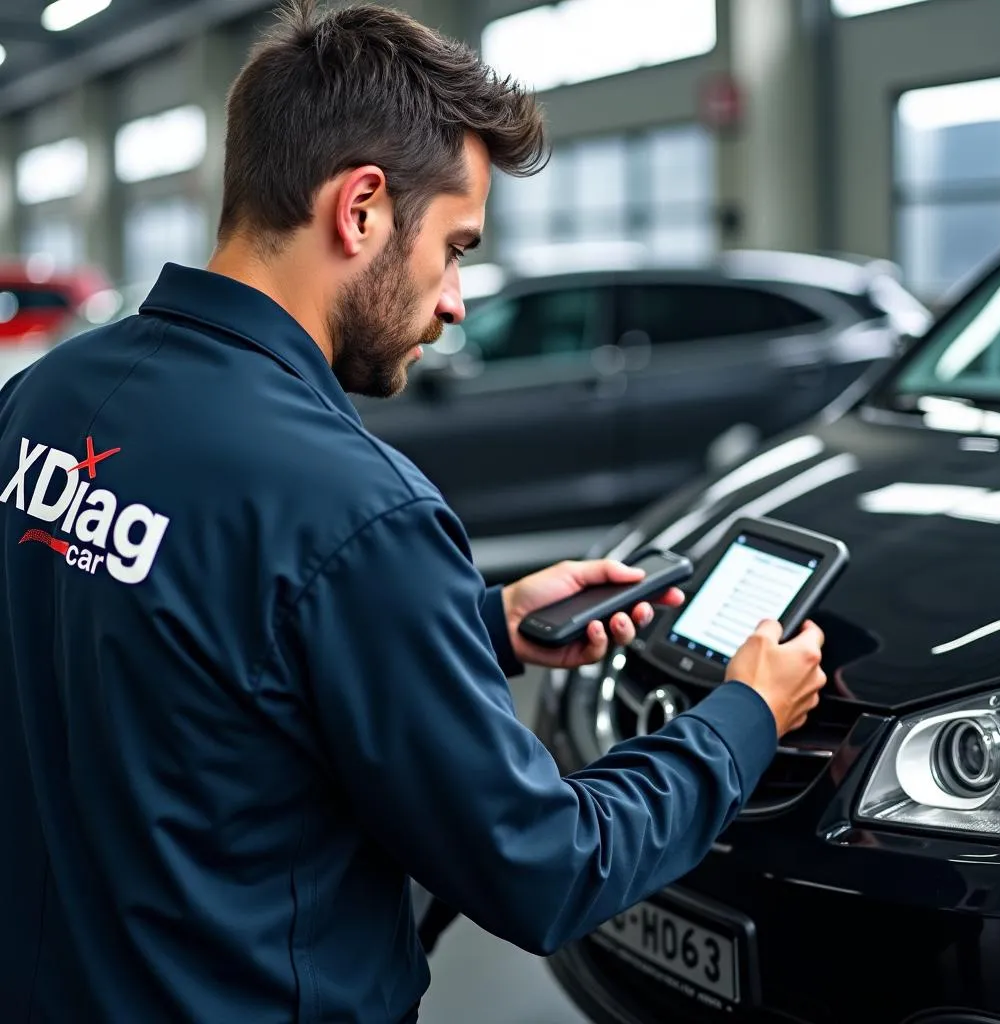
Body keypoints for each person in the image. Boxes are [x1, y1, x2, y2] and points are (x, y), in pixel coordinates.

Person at [0, 2, 827, 1021]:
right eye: (458, 247)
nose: (456, 300)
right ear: (361, 210)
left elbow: (184, 655)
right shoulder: (357, 507)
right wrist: (743, 716)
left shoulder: (46, 397)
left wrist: (479, 626)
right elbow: (545, 866)